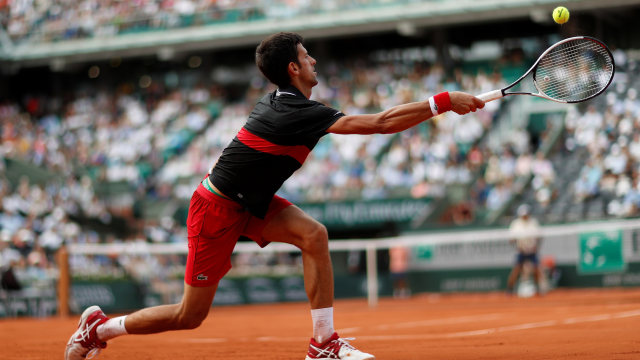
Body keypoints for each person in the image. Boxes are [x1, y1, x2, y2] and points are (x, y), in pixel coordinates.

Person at [64, 32, 484, 360]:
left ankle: (323, 343)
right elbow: (379, 123)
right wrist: (443, 101)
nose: (314, 60)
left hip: (250, 202)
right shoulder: (296, 111)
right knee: (188, 316)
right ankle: (98, 329)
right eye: (307, 56)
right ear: (293, 68)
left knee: (314, 235)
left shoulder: (289, 103)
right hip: (216, 209)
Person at [505, 204, 544, 296]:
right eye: (523, 215)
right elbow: (511, 239)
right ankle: (510, 289)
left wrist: (536, 247)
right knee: (516, 269)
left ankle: (538, 287)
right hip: (521, 251)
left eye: (526, 214)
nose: (525, 216)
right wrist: (518, 246)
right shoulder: (515, 224)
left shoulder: (533, 223)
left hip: (532, 251)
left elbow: (539, 237)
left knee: (536, 268)